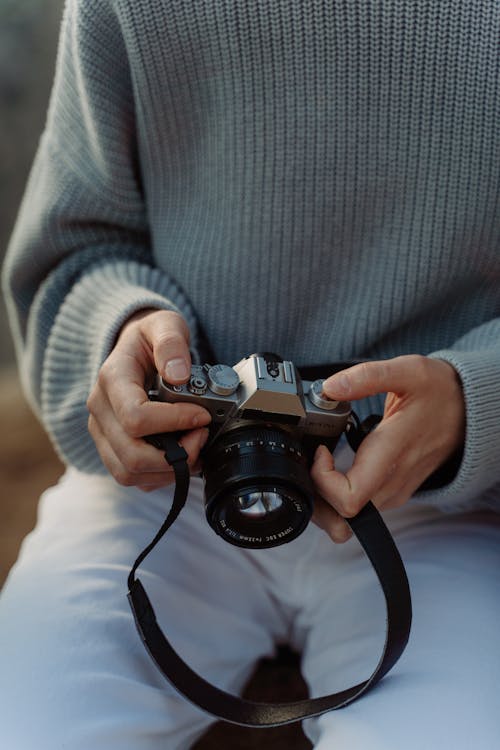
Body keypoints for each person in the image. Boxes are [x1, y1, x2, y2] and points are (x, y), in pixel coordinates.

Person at [1, 1, 499, 748]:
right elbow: (74, 249)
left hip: (440, 500)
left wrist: (476, 402)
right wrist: (120, 340)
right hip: (167, 488)